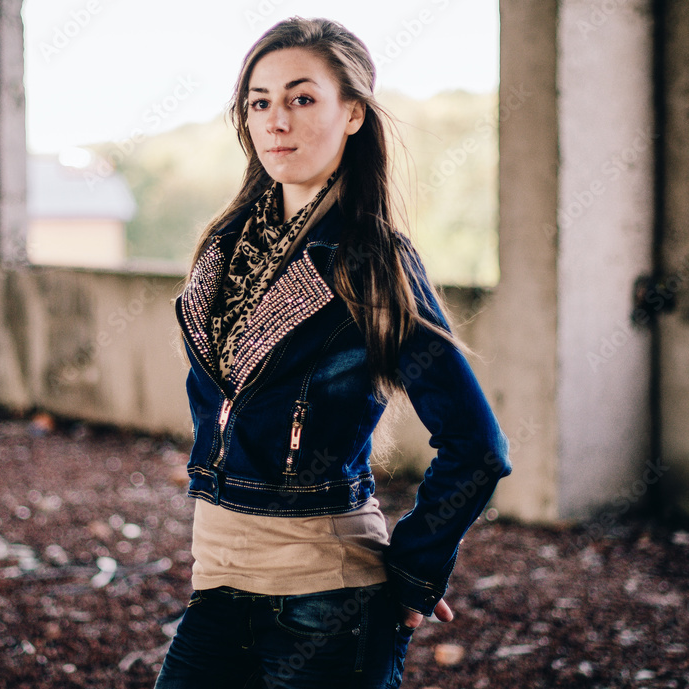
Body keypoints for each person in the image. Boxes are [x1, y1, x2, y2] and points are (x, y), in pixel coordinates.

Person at [155, 16, 511, 689]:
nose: (276, 120)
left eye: (302, 98)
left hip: (328, 598)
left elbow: (476, 443)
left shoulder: (372, 263)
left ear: (353, 114)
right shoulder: (222, 252)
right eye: (259, 102)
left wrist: (413, 573)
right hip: (217, 583)